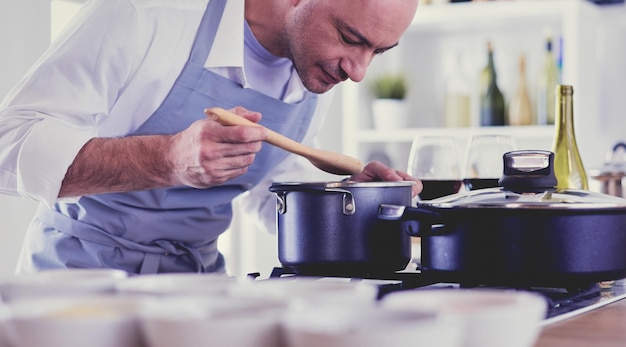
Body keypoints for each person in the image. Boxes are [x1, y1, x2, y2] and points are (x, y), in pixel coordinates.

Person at [0, 0, 420, 275]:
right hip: (75, 285)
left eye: (379, 51)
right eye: (351, 38)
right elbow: (8, 142)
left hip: (196, 292)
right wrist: (167, 158)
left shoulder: (318, 66)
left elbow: (262, 191)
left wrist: (344, 204)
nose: (360, 71)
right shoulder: (144, 13)